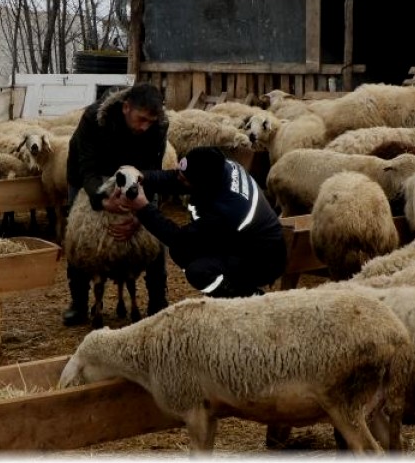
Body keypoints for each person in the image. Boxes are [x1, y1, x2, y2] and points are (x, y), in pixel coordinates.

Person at [116, 145, 286, 298]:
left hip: (262, 258)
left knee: (198, 271)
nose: (180, 178)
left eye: (185, 179)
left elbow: (180, 239)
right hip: (241, 239)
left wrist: (143, 207)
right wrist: (143, 177)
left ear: (202, 185)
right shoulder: (219, 168)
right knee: (182, 252)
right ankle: (228, 287)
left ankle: (246, 297)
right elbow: (177, 179)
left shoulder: (227, 211)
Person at [63, 83, 170, 326]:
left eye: (150, 122)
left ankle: (158, 299)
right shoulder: (93, 119)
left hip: (135, 171)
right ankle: (78, 302)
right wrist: (101, 200)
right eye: (141, 119)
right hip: (88, 171)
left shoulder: (158, 126)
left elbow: (152, 172)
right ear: (126, 107)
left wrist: (141, 216)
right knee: (78, 233)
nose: (145, 127)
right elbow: (87, 169)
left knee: (154, 231)